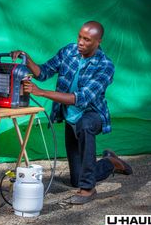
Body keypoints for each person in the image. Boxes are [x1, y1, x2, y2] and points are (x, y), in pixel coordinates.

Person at [11, 21, 132, 205]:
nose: (81, 42)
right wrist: (26, 59)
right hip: (70, 117)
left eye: (87, 40)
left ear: (98, 42)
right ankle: (110, 162)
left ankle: (88, 189)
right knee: (76, 178)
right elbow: (43, 72)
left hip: (93, 115)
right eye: (80, 37)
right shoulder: (69, 51)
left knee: (85, 125)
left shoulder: (105, 66)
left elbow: (81, 98)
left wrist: (41, 92)